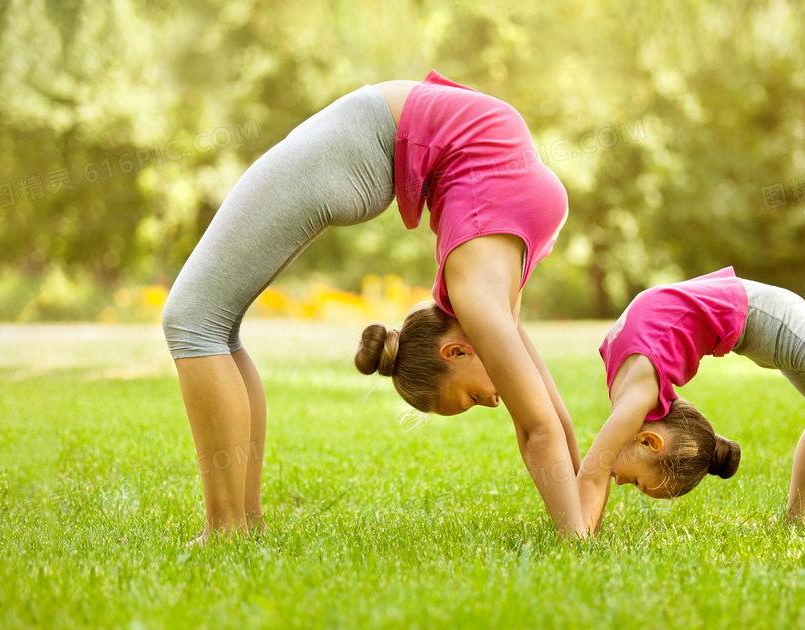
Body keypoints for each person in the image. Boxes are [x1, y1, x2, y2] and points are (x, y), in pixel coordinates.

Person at [162, 70, 585, 546]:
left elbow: (542, 423)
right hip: (364, 142)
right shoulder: (481, 297)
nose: (491, 402)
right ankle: (236, 526)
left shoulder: (481, 292)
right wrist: (580, 531)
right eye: (469, 399)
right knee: (203, 321)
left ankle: (231, 530)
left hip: (382, 145)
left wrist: (580, 531)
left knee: (201, 321)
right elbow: (545, 424)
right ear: (455, 352)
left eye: (471, 401)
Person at [576, 267, 805, 538]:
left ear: (650, 440)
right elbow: (599, 473)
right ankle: (796, 524)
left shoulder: (636, 397)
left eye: (636, 481)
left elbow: (593, 475)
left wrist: (580, 541)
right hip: (763, 327)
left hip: (774, 318)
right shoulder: (634, 393)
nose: (619, 481)